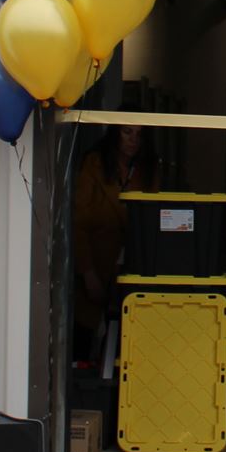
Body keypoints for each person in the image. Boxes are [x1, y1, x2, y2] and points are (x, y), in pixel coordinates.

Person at [73, 125, 151, 364]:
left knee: (127, 339)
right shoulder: (94, 165)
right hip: (96, 260)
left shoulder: (149, 168)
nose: (133, 140)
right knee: (84, 334)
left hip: (133, 262)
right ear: (114, 133)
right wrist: (88, 272)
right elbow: (79, 221)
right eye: (127, 132)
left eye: (139, 134)